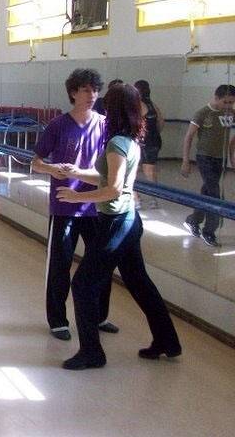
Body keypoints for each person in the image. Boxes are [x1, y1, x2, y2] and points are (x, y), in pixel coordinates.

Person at [57, 84, 182, 370]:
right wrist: (76, 173)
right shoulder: (127, 140)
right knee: (139, 282)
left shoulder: (116, 144)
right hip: (128, 220)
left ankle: (92, 353)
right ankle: (168, 341)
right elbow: (111, 181)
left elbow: (112, 189)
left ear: (112, 110)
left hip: (116, 223)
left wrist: (77, 196)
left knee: (83, 284)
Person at [32, 68, 118, 341]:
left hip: (95, 205)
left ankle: (99, 315)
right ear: (73, 93)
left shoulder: (105, 125)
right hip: (64, 206)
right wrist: (51, 168)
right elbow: (36, 162)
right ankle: (57, 319)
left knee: (101, 264)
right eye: (85, 90)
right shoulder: (58, 125)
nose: (91, 95)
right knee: (60, 264)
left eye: (94, 90)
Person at [181, 84, 235, 247]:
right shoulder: (203, 113)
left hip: (220, 159)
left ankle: (193, 220)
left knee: (206, 192)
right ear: (216, 97)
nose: (228, 106)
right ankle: (209, 231)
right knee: (215, 193)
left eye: (232, 102)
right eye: (226, 102)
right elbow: (189, 137)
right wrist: (185, 161)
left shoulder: (231, 113)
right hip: (204, 158)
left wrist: (232, 155)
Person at [134, 79, 164, 209]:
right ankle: (153, 199)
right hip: (154, 140)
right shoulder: (153, 105)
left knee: (132, 171)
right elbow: (161, 122)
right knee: (150, 171)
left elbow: (132, 125)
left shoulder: (137, 105)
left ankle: (136, 200)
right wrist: (155, 133)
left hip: (140, 142)